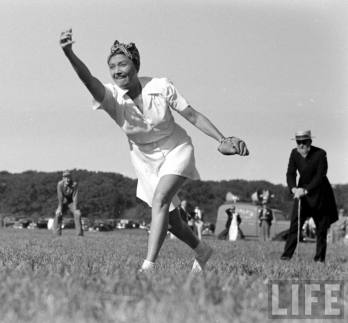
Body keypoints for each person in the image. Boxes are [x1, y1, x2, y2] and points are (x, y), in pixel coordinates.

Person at [59, 29, 249, 272]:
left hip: (176, 149)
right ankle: (202, 250)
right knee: (172, 222)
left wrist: (222, 139)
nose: (117, 71)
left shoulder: (161, 86)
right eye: (112, 66)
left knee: (160, 200)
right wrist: (69, 54)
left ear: (135, 66)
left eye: (122, 64)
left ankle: (147, 269)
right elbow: (88, 79)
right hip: (144, 160)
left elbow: (192, 115)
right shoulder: (111, 98)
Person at [280, 130, 338, 263]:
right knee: (295, 225)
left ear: (310, 142)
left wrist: (306, 190)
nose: (301, 145)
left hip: (320, 194)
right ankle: (286, 256)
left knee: (321, 229)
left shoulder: (321, 154)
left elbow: (320, 176)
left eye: (304, 142)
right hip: (301, 193)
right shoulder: (294, 153)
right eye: (298, 142)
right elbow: (290, 173)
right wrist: (293, 188)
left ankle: (319, 258)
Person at [54, 170, 84, 236]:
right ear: (63, 178)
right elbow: (60, 197)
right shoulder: (60, 184)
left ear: (71, 177)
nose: (67, 179)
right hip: (63, 201)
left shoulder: (74, 184)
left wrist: (75, 209)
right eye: (65, 177)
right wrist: (59, 208)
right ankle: (57, 234)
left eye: (69, 177)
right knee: (58, 214)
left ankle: (79, 233)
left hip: (72, 202)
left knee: (78, 214)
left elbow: (75, 197)